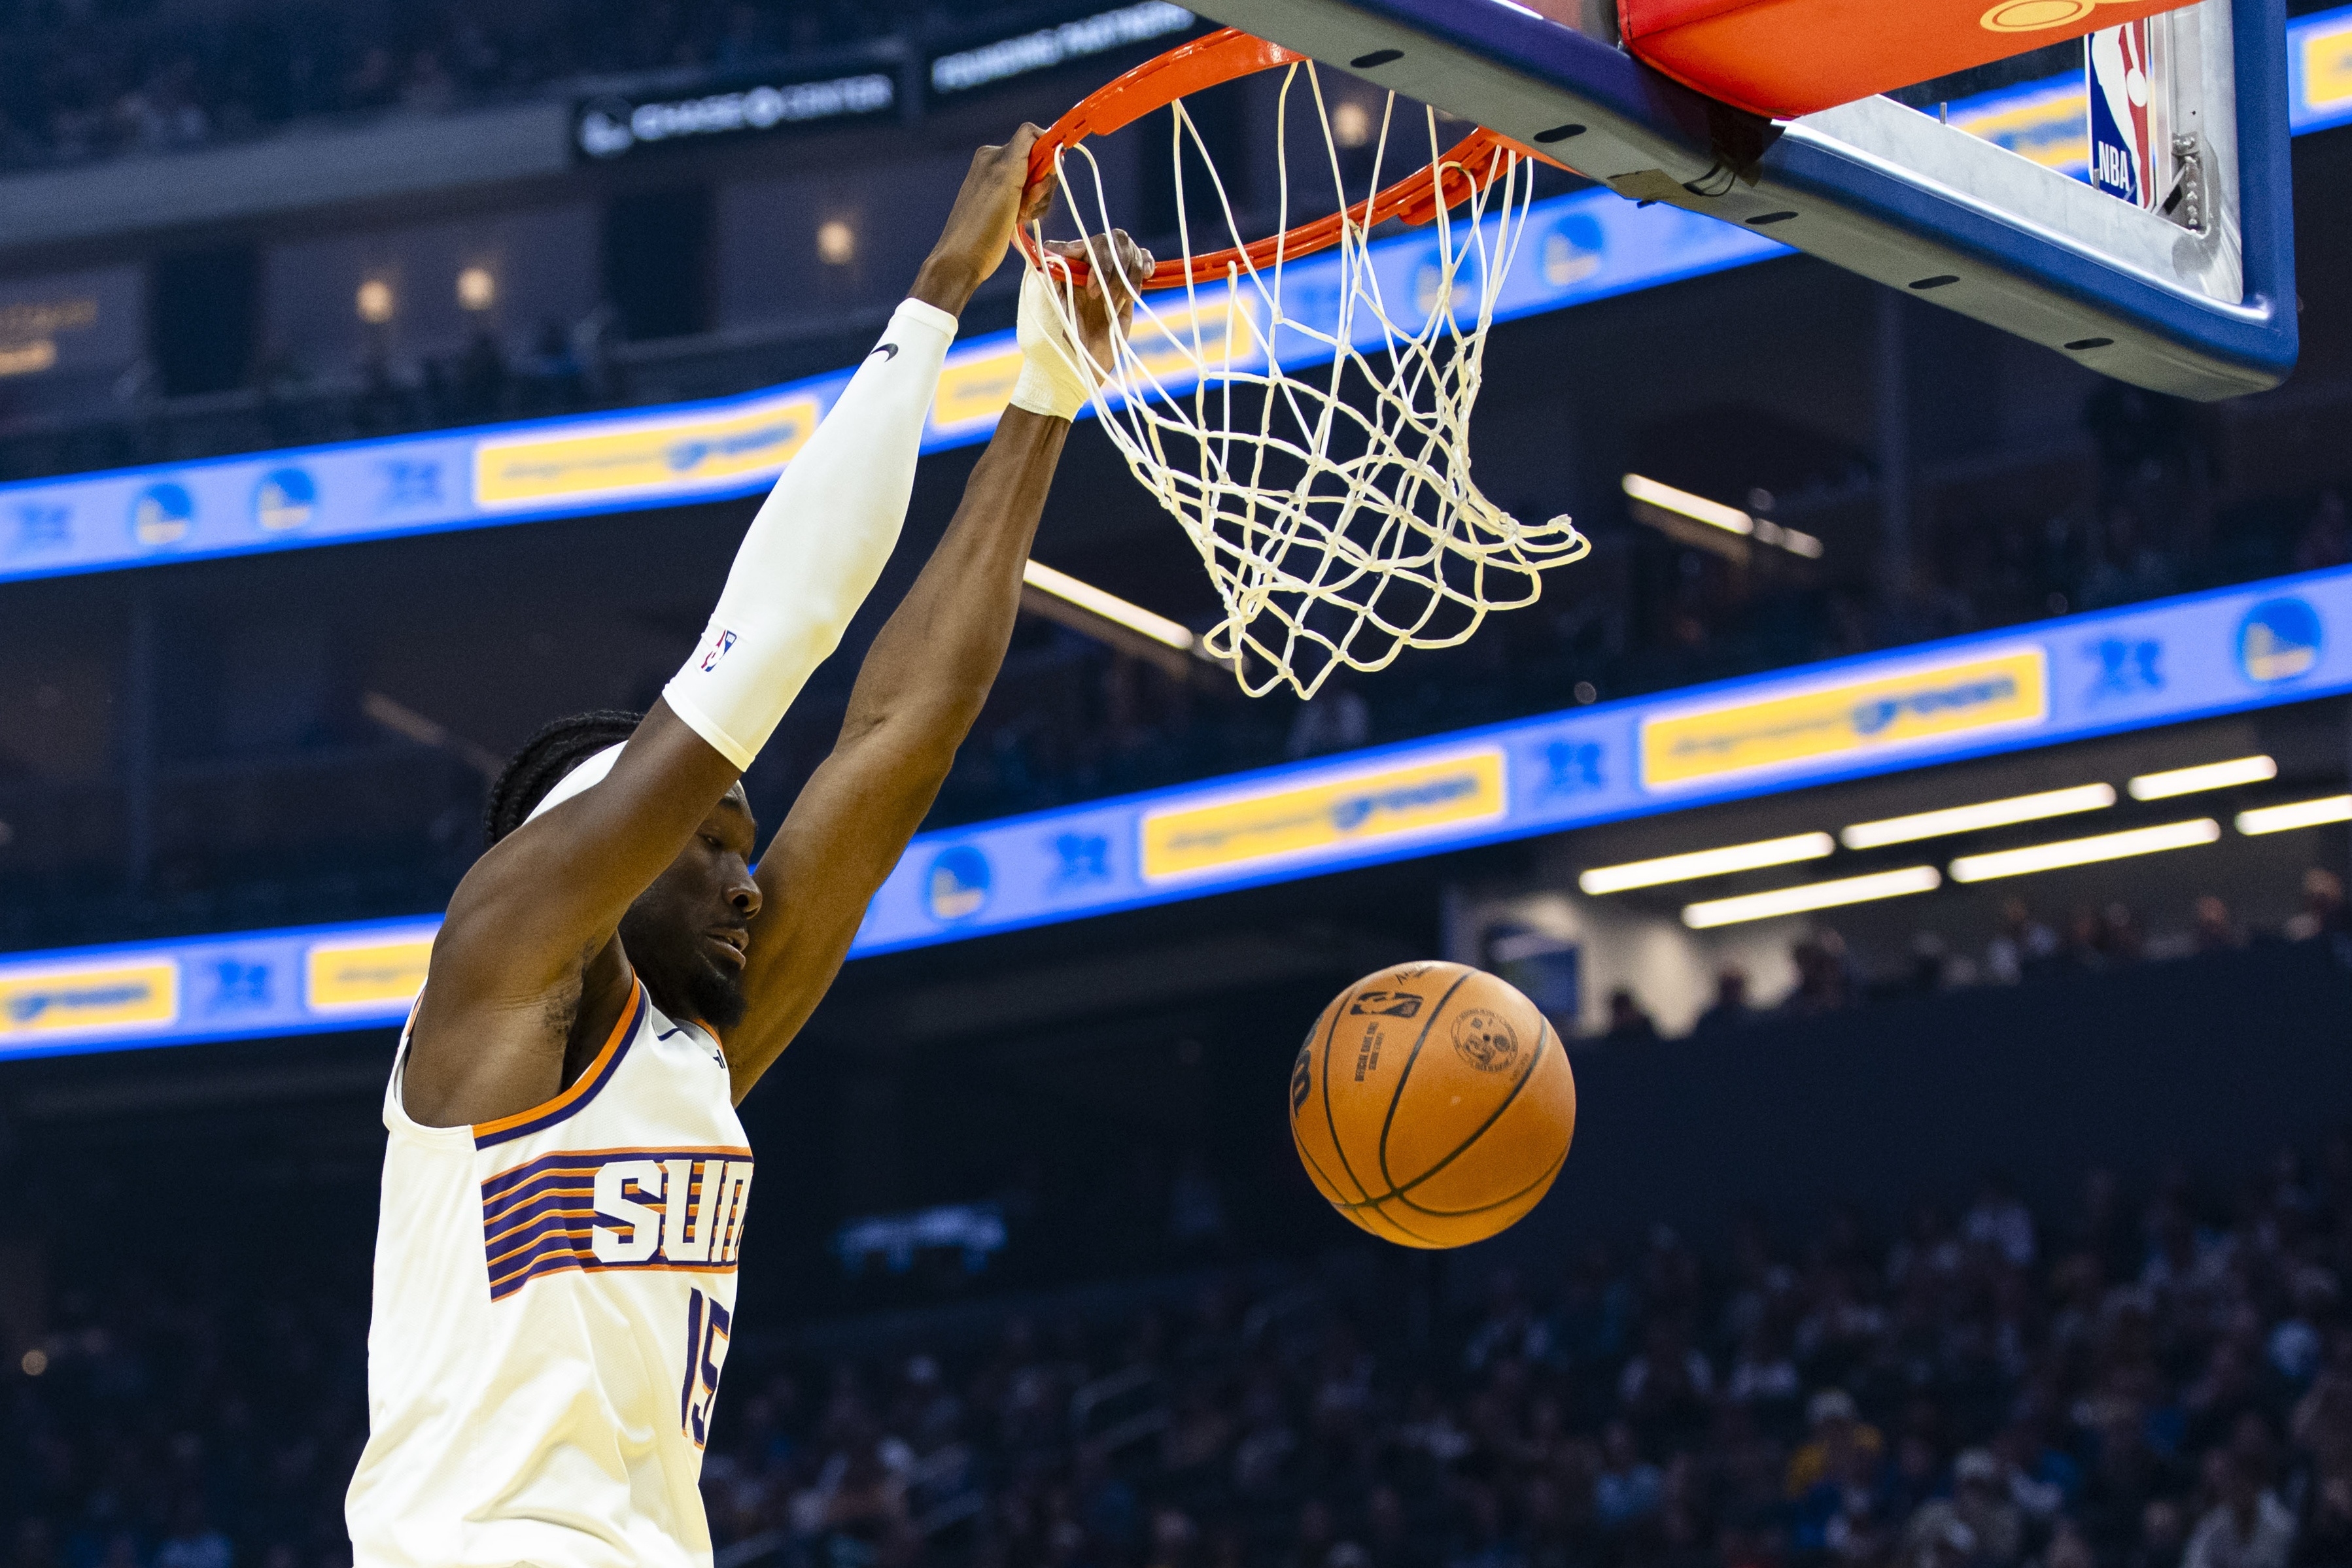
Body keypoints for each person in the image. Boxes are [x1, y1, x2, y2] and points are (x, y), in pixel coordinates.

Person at [343, 128, 1150, 1568]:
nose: (744, 875)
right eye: (707, 840)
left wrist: (1046, 390)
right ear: (592, 844)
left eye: (742, 842)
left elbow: (902, 732)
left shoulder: (695, 1052)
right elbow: (776, 632)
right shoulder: (502, 957)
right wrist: (937, 291)